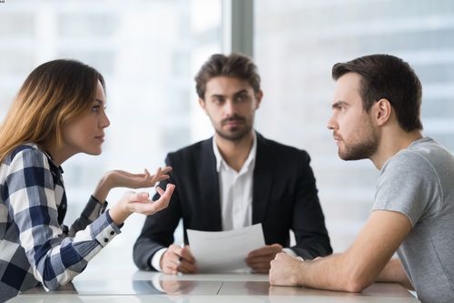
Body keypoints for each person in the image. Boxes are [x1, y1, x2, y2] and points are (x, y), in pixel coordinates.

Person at [269, 54, 454, 303]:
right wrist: (333, 265)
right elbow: (435, 268)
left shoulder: (410, 165)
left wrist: (296, 270)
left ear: (381, 112)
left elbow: (352, 276)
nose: (330, 123)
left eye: (341, 108)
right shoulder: (431, 157)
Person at [133, 53, 332, 275]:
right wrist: (164, 259)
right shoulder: (181, 165)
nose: (230, 110)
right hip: (202, 294)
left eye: (240, 97)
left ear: (258, 98)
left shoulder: (293, 164)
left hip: (270, 292)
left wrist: (287, 258)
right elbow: (146, 243)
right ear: (203, 105)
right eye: (219, 100)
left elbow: (318, 244)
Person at [0, 59, 175, 302]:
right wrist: (118, 213)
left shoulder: (39, 163)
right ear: (59, 109)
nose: (105, 121)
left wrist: (106, 184)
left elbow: (57, 251)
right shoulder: (29, 159)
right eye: (95, 108)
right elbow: (49, 269)